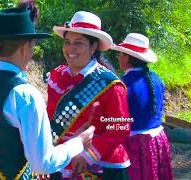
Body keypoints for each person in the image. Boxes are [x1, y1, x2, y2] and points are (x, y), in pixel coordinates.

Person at [0, 8, 96, 179]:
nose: (32, 52)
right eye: (32, 45)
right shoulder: (25, 95)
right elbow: (44, 163)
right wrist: (79, 143)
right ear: (25, 47)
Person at [47, 11, 131, 179]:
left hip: (98, 164)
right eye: (67, 42)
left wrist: (90, 154)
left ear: (93, 47)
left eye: (78, 43)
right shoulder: (56, 76)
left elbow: (120, 127)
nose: (71, 48)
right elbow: (51, 117)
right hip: (61, 159)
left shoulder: (109, 84)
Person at [111, 33, 173, 180]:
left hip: (137, 144)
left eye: (120, 54)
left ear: (127, 58)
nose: (118, 57)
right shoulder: (155, 78)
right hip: (158, 140)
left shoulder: (123, 85)